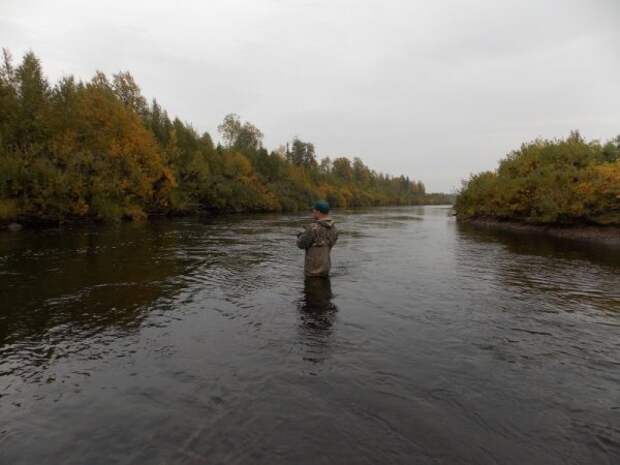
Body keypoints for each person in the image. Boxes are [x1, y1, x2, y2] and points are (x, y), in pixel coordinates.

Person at [296, 201, 338, 277]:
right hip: (326, 271)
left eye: (313, 210)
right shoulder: (334, 228)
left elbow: (300, 244)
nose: (312, 212)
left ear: (318, 211)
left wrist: (300, 236)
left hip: (312, 273)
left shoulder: (312, 228)